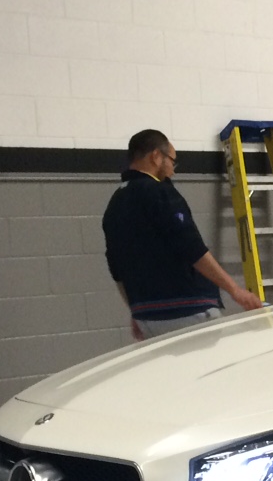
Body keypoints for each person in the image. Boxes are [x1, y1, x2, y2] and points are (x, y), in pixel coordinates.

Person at [103, 129, 263, 341]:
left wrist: (135, 310)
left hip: (147, 318)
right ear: (156, 156)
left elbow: (117, 269)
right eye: (172, 161)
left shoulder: (114, 205)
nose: (173, 170)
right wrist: (235, 290)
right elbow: (191, 247)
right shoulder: (160, 192)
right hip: (188, 311)